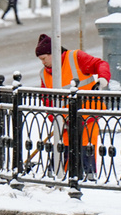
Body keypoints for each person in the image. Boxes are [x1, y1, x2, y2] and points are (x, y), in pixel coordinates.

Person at [36, 33, 111, 181]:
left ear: (54, 53)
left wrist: (103, 79)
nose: (43, 63)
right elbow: (47, 100)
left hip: (88, 114)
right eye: (40, 60)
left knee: (86, 145)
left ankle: (88, 177)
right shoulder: (44, 74)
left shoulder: (75, 57)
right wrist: (55, 119)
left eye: (44, 58)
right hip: (65, 120)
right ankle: (56, 176)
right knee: (62, 147)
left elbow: (100, 64)